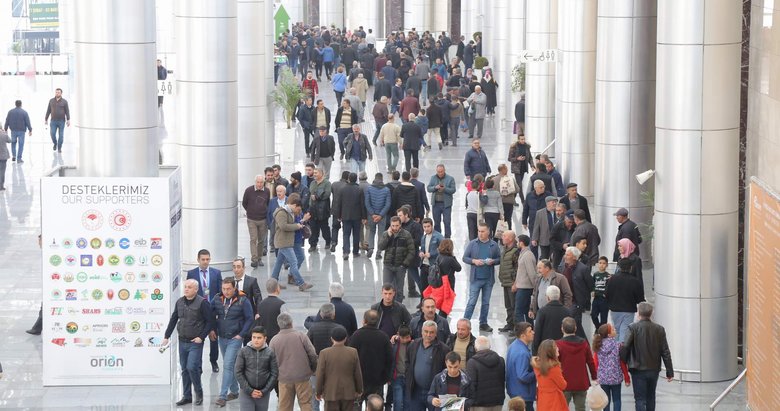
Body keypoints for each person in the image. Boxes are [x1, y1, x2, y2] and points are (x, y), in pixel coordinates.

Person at [162, 279, 217, 406]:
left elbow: (210, 321)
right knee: (184, 369)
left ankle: (199, 392)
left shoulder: (202, 303)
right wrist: (166, 336)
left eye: (189, 287)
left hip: (195, 342)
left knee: (191, 367)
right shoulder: (180, 302)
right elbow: (174, 319)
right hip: (182, 341)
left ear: (196, 289)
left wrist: (201, 337)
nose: (186, 289)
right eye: (185, 286)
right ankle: (187, 396)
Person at [620, 302, 675, 411]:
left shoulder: (632, 328)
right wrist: (669, 371)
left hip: (637, 369)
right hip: (654, 369)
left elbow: (625, 346)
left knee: (640, 399)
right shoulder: (659, 329)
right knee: (651, 396)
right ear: (651, 313)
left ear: (638, 313)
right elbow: (665, 351)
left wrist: (624, 361)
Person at [211, 278, 255, 407]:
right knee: (232, 365)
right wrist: (212, 329)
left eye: (229, 289)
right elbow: (209, 314)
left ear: (234, 288)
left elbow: (250, 318)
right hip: (222, 337)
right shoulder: (217, 299)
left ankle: (222, 396)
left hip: (235, 339)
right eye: (224, 289)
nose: (226, 291)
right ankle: (235, 391)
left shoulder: (243, 300)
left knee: (227, 365)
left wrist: (241, 334)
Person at [270, 313, 318, 411]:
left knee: (284, 406)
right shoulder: (301, 336)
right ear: (291, 323)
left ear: (278, 324)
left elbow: (271, 362)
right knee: (306, 404)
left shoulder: (274, 340)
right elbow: (312, 354)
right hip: (303, 376)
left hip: (284, 378)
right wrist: (312, 368)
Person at [185, 249, 222, 372]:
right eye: (203, 259)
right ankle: (198, 364)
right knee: (198, 338)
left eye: (207, 259)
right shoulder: (191, 273)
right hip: (198, 312)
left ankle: (214, 361)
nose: (205, 262)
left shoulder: (216, 273)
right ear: (198, 260)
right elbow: (189, 293)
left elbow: (220, 293)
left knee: (214, 338)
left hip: (212, 311)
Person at [349, 310, 394, 406]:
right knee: (375, 406)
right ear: (377, 321)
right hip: (377, 381)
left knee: (356, 406)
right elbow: (390, 359)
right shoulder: (383, 337)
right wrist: (385, 377)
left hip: (359, 381)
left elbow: (350, 358)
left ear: (364, 320)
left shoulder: (356, 335)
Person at [462, 223, 501, 332]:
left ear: (488, 232)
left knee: (486, 303)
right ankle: (465, 323)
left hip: (488, 279)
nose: (480, 233)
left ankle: (483, 323)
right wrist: (474, 261)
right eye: (479, 231)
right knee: (472, 302)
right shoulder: (473, 244)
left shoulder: (494, 245)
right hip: (476, 279)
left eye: (483, 231)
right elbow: (465, 258)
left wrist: (493, 261)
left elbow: (499, 259)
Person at [271, 193, 314, 291]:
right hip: (283, 242)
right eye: (298, 209)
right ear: (294, 205)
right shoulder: (282, 213)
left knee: (278, 263)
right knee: (294, 262)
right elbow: (283, 226)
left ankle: (273, 283)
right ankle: (301, 284)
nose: (298, 211)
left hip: (286, 241)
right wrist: (297, 226)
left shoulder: (288, 212)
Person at [315, 327, 362, 411]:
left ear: (331, 339)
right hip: (348, 392)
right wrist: (359, 389)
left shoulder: (324, 353)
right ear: (345, 338)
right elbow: (357, 373)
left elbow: (320, 375)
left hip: (331, 393)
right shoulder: (353, 352)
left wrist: (318, 392)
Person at [556, 317, 597, 411]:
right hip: (581, 382)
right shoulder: (584, 343)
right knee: (581, 408)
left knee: (562, 407)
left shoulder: (558, 344)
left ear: (562, 328)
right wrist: (594, 377)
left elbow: (554, 364)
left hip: (564, 382)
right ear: (575, 328)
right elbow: (590, 362)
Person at [406, 321, 449, 411]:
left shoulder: (443, 349)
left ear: (436, 333)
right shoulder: (414, 345)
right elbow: (408, 362)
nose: (428, 335)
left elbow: (446, 370)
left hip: (434, 393)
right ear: (422, 332)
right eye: (426, 331)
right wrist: (409, 377)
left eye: (431, 332)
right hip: (416, 391)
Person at [235, 326, 279, 411]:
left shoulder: (270, 353)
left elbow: (274, 373)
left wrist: (265, 390)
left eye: (259, 338)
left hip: (263, 393)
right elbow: (238, 372)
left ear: (265, 338)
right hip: (246, 392)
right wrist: (250, 390)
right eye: (254, 337)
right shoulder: (243, 352)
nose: (256, 340)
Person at [605, 259, 645, 343]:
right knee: (625, 331)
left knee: (617, 331)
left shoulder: (612, 279)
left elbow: (607, 294)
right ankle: (621, 349)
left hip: (615, 310)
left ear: (619, 267)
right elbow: (640, 298)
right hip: (628, 310)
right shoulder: (634, 281)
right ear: (631, 268)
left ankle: (616, 348)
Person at [558, 247, 594, 340]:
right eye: (565, 254)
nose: (565, 256)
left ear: (574, 257)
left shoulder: (583, 269)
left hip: (576, 302)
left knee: (574, 324)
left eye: (568, 255)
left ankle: (583, 343)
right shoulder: (562, 267)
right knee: (571, 325)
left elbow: (590, 285)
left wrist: (584, 299)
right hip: (563, 301)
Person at [593, 324, 631, 411]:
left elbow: (595, 363)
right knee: (617, 399)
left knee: (606, 400)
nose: (615, 330)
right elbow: (622, 363)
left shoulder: (598, 346)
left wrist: (595, 377)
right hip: (616, 378)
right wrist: (627, 377)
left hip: (603, 378)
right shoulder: (618, 346)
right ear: (609, 335)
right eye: (613, 330)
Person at [378, 219, 416, 302]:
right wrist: (388, 236)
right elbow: (380, 247)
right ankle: (387, 306)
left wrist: (404, 264)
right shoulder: (386, 234)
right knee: (386, 288)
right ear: (390, 225)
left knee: (399, 290)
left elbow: (411, 251)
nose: (395, 228)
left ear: (400, 225)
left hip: (400, 266)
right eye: (393, 226)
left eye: (397, 225)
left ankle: (398, 307)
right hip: (388, 266)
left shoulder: (406, 235)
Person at [466, 336, 506, 410]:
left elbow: (471, 386)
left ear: (475, 348)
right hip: (497, 402)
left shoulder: (472, 363)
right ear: (489, 346)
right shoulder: (500, 360)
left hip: (479, 404)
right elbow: (502, 380)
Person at [333, 173, 366, 260]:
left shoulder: (342, 189)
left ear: (348, 179)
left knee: (346, 234)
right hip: (357, 216)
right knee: (356, 234)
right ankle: (355, 252)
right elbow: (362, 204)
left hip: (345, 216)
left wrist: (339, 215)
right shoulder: (359, 189)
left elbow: (339, 203)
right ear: (356, 179)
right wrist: (364, 217)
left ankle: (346, 252)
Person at [531, 285, 570, 355]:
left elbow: (537, 332)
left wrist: (535, 352)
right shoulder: (567, 312)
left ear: (548, 298)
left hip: (546, 349)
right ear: (559, 297)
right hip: (563, 349)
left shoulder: (542, 312)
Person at [507, 322, 537, 411]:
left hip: (515, 390)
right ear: (523, 336)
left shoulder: (514, 345)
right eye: (530, 331)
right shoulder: (522, 353)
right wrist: (537, 370)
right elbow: (523, 376)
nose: (533, 332)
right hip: (523, 395)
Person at [532, 339, 569, 411]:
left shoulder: (537, 365)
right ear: (550, 352)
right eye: (555, 347)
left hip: (542, 399)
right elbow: (563, 385)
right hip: (554, 400)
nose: (558, 349)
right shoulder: (553, 368)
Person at [243, 175, 271, 268]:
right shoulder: (248, 190)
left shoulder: (267, 191)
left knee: (261, 240)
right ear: (255, 182)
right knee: (253, 239)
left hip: (263, 219)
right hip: (252, 219)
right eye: (258, 182)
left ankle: (259, 258)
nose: (259, 184)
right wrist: (250, 211)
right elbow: (244, 203)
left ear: (264, 182)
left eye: (261, 182)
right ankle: (254, 259)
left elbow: (267, 203)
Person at [512, 235, 538, 325]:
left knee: (519, 312)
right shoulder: (523, 253)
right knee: (526, 312)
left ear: (521, 243)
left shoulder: (528, 255)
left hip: (525, 288)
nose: (517, 243)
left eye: (518, 241)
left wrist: (535, 288)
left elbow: (532, 273)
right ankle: (529, 329)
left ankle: (523, 331)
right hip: (522, 287)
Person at [364, 173, 391, 258]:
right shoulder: (386, 190)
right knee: (381, 233)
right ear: (382, 179)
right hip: (382, 216)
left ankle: (371, 248)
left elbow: (367, 203)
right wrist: (380, 215)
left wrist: (372, 214)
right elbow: (388, 204)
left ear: (375, 178)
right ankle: (378, 252)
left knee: (371, 231)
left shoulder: (369, 189)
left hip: (371, 216)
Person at [498, 230, 520, 332]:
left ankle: (516, 327)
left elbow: (517, 268)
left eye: (504, 236)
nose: (502, 237)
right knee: (508, 305)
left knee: (514, 305)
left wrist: (515, 282)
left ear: (510, 238)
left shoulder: (515, 251)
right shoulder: (505, 249)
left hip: (512, 283)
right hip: (505, 282)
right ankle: (509, 324)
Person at [427, 164, 456, 238]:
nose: (440, 173)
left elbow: (453, 190)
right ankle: (438, 237)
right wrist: (435, 187)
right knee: (436, 222)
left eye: (441, 171)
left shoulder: (450, 178)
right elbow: (428, 188)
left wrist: (445, 189)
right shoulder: (433, 178)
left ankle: (447, 237)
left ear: (444, 170)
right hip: (436, 204)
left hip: (446, 204)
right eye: (438, 172)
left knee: (447, 222)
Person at [308, 168, 332, 251]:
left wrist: (317, 197)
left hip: (323, 210)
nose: (314, 174)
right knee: (313, 228)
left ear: (322, 174)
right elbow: (311, 193)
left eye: (316, 173)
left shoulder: (327, 183)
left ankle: (328, 241)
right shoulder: (312, 183)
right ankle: (313, 244)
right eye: (314, 173)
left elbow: (327, 194)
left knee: (324, 227)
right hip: (313, 209)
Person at [390, 325, 413, 411]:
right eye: (403, 338)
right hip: (397, 376)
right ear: (398, 334)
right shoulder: (394, 344)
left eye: (407, 337)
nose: (405, 340)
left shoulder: (413, 344)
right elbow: (390, 360)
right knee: (398, 402)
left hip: (408, 377)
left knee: (407, 402)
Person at [419, 219, 444, 293]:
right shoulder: (423, 237)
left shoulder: (438, 236)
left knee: (434, 288)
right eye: (424, 227)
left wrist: (432, 254)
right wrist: (421, 252)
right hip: (424, 265)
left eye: (428, 226)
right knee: (423, 288)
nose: (426, 229)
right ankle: (423, 300)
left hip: (434, 266)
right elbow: (422, 249)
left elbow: (443, 249)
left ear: (432, 226)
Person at [508, 134, 533, 204]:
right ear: (518, 139)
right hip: (516, 169)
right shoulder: (514, 147)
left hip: (523, 168)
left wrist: (532, 165)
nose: (523, 140)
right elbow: (509, 158)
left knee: (517, 185)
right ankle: (523, 201)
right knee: (520, 185)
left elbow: (530, 157)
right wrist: (517, 158)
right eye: (521, 139)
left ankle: (512, 200)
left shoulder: (527, 147)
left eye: (524, 139)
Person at [44, 88, 70, 152]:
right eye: (56, 92)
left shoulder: (64, 101)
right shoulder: (51, 101)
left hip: (62, 121)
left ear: (61, 93)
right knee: (52, 134)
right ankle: (55, 143)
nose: (57, 93)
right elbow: (48, 110)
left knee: (61, 136)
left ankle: (59, 148)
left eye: (58, 92)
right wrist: (46, 119)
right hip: (53, 121)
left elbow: (67, 111)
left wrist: (68, 120)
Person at [591, 256, 611, 329]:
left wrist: (606, 294)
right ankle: (598, 328)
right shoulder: (595, 274)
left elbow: (609, 287)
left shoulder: (608, 276)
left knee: (603, 318)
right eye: (600, 263)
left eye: (604, 263)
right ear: (597, 264)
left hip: (604, 300)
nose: (601, 265)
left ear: (607, 265)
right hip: (596, 298)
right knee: (593, 315)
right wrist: (593, 291)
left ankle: (603, 332)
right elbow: (592, 284)